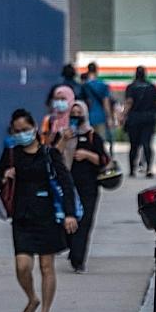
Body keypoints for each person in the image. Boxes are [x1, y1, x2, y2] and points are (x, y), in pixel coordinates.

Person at [0, 109, 80, 312]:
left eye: (25, 129)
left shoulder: (49, 154)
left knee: (46, 266)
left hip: (47, 216)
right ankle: (32, 297)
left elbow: (66, 183)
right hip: (22, 217)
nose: (22, 133)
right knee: (22, 265)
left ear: (34, 128)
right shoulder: (12, 154)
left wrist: (69, 213)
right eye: (17, 131)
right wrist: (5, 175)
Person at [66, 101, 107, 274]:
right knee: (68, 221)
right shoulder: (65, 136)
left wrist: (87, 155)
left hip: (89, 186)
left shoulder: (93, 136)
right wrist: (64, 140)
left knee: (85, 223)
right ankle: (73, 248)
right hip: (68, 186)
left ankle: (78, 260)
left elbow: (104, 160)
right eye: (73, 112)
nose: (76, 115)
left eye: (79, 112)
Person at [123, 66, 156, 176]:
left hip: (134, 119)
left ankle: (132, 170)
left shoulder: (131, 87)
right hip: (149, 118)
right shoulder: (152, 87)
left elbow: (129, 102)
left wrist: (122, 115)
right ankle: (149, 169)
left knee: (133, 145)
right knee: (147, 144)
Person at [79, 61, 116, 161]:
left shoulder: (84, 86)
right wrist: (109, 118)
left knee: (89, 141)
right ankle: (100, 161)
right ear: (96, 70)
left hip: (87, 117)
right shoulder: (103, 85)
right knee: (100, 141)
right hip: (100, 117)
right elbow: (105, 103)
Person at [41, 82, 78, 167]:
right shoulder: (49, 120)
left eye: (63, 99)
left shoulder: (75, 119)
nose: (59, 102)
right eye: (56, 99)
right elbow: (44, 142)